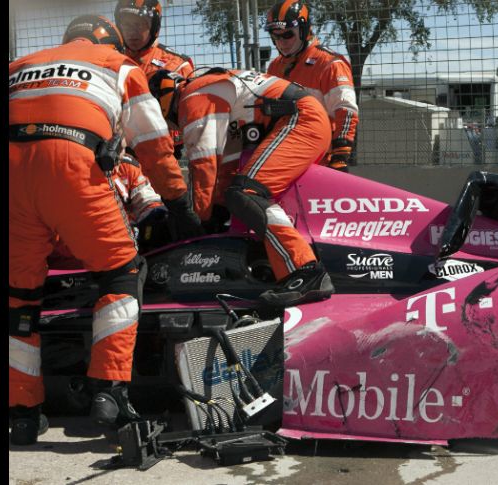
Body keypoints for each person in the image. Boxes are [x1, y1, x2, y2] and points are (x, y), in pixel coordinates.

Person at [9, 15, 202, 445]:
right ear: (113, 43)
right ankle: (109, 390)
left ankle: (21, 414)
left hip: (12, 174)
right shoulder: (118, 65)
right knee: (121, 272)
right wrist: (179, 204)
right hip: (71, 164)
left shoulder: (20, 65)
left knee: (19, 298)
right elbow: (152, 141)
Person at [149, 67, 335, 307]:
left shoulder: (192, 96)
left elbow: (204, 165)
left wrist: (196, 221)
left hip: (300, 119)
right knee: (237, 194)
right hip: (304, 118)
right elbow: (225, 168)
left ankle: (307, 271)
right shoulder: (211, 89)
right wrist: (214, 213)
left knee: (246, 193)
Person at [265, 0, 358, 172]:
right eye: (276, 36)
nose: (282, 42)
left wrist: (340, 156)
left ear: (304, 30)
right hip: (284, 156)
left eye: (288, 35)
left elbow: (346, 109)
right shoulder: (274, 66)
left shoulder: (330, 63)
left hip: (320, 161)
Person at [114, 0, 194, 158]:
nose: (132, 32)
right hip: (120, 150)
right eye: (127, 25)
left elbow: (191, 114)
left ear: (154, 27)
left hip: (163, 150)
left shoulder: (177, 64)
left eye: (140, 25)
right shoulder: (110, 59)